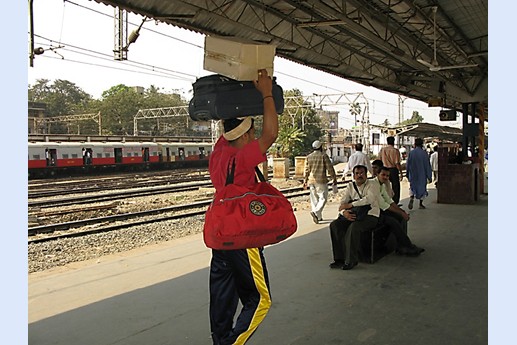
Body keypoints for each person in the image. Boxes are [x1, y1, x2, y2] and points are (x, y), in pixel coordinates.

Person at [207, 69, 276, 345]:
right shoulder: (243, 158)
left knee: (222, 298)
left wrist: (234, 94)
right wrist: (266, 93)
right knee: (261, 300)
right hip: (242, 236)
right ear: (246, 135)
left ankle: (221, 340)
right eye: (252, 131)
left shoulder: (218, 154)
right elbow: (271, 133)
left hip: (220, 236)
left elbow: (229, 129)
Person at [329, 165, 381, 270]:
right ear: (353, 175)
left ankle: (351, 260)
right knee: (335, 225)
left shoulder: (373, 184)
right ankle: (339, 259)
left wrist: (351, 205)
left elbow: (369, 199)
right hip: (354, 215)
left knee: (354, 227)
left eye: (362, 173)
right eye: (357, 173)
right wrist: (344, 213)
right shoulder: (350, 186)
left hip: (370, 216)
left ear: (366, 175)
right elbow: (342, 204)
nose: (359, 175)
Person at [376, 166, 425, 256]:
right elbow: (383, 205)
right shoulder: (373, 185)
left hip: (381, 210)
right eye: (383, 175)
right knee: (393, 221)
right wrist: (400, 212)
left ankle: (402, 246)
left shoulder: (382, 185)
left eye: (387, 176)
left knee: (400, 217)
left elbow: (389, 201)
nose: (385, 177)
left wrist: (401, 211)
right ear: (377, 174)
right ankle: (408, 246)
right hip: (374, 213)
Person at [303, 140, 338, 224]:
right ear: (320, 147)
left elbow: (306, 170)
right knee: (323, 198)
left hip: (311, 180)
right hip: (321, 180)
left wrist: (305, 180)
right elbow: (330, 168)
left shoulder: (309, 157)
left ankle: (318, 217)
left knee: (314, 199)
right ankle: (315, 212)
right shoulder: (324, 156)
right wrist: (334, 178)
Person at [406, 138, 432, 210]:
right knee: (422, 188)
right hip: (422, 174)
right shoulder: (424, 153)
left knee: (412, 186)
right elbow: (427, 165)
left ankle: (411, 197)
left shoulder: (411, 153)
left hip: (413, 173)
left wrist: (407, 173)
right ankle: (420, 204)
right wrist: (429, 176)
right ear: (422, 144)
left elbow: (408, 164)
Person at [379, 136, 403, 204]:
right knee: (396, 186)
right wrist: (401, 173)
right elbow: (397, 163)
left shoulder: (382, 150)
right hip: (393, 170)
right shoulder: (395, 150)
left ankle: (386, 200)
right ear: (394, 141)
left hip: (384, 169)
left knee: (385, 186)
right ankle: (395, 202)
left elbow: (379, 160)